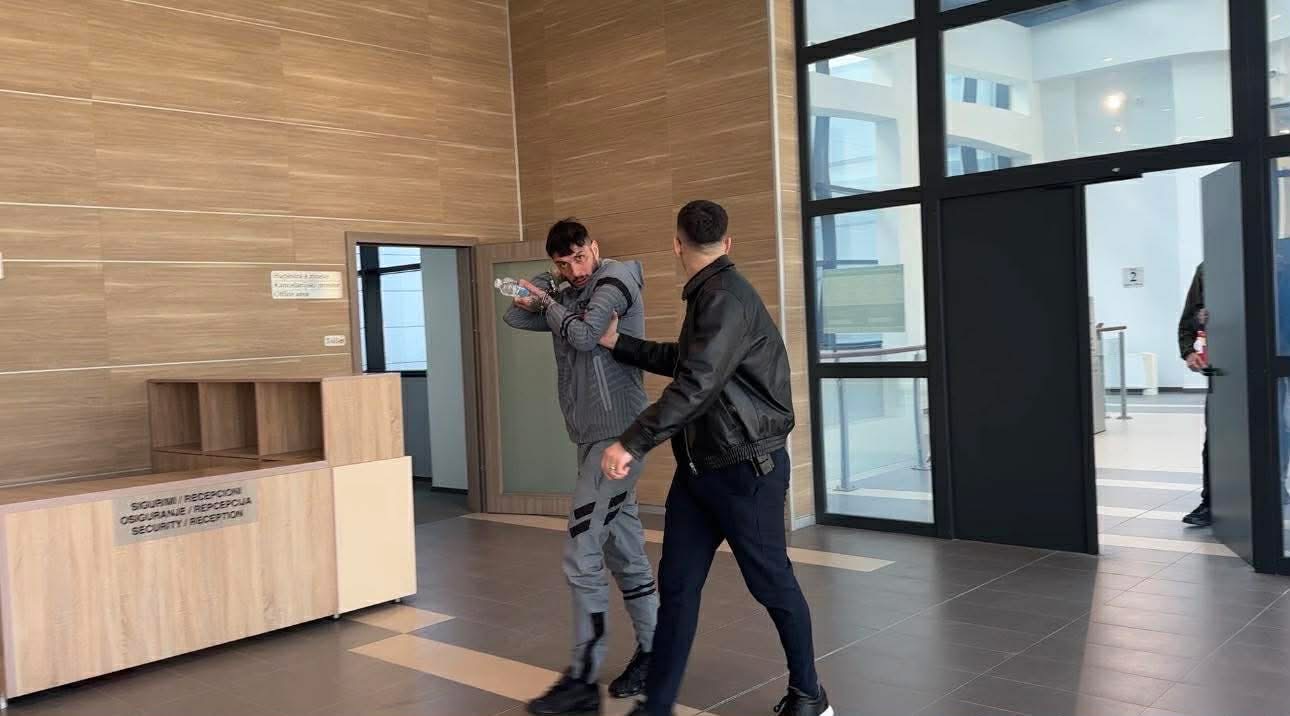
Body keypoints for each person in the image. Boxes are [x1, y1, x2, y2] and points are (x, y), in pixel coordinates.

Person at [598, 201, 832, 716]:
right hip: (700, 469)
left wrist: (630, 442)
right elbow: (690, 363)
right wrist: (620, 344)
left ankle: (809, 695)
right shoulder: (710, 294)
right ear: (727, 243)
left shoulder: (725, 297)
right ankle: (657, 706)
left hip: (746, 470)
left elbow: (696, 385)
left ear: (676, 244)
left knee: (771, 583)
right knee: (678, 586)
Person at [502, 219, 657, 715]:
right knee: (623, 548)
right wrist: (547, 288)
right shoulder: (568, 293)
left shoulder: (615, 279)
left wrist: (550, 302)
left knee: (581, 550)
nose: (575, 269)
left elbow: (588, 337)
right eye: (562, 264)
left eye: (579, 257)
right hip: (590, 439)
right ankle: (656, 650)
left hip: (619, 439)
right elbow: (514, 316)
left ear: (594, 246)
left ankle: (582, 681)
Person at [1178, 263, 1212, 527]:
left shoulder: (1279, 258)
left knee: (1278, 431)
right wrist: (1189, 350)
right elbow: (1190, 316)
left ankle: (1275, 489)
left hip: (1275, 362)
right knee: (1216, 439)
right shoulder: (1209, 267)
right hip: (1225, 370)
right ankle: (1212, 501)